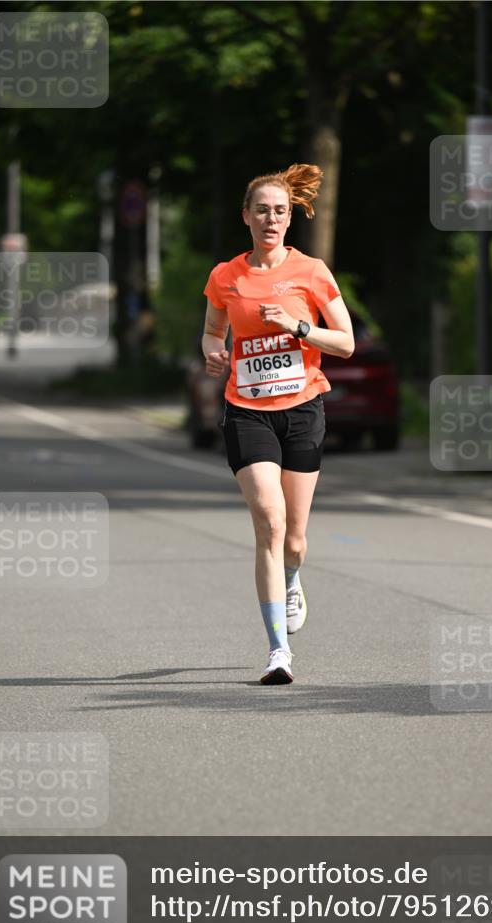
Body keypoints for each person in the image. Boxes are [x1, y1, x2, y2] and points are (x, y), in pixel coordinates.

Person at [201, 164, 354, 685]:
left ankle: (292, 578)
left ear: (291, 218)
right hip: (246, 410)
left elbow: (346, 342)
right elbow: (211, 331)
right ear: (246, 216)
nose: (271, 219)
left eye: (280, 211)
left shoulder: (312, 272)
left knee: (294, 538)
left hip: (303, 409)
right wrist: (213, 353)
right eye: (262, 210)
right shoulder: (226, 276)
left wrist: (298, 326)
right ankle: (278, 652)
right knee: (268, 519)